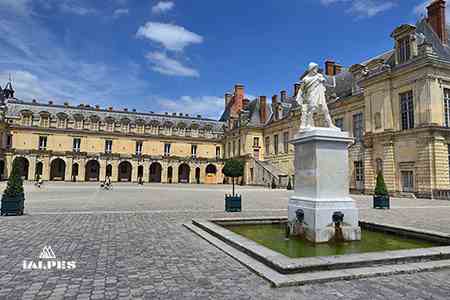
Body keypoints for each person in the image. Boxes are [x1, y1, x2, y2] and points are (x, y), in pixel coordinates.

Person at [295, 62, 337, 130]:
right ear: (311, 69)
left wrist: (322, 80)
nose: (316, 70)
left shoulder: (319, 76)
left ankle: (330, 124)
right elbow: (302, 90)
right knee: (312, 109)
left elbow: (324, 82)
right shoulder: (305, 79)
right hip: (311, 95)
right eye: (315, 68)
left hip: (320, 95)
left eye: (316, 68)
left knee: (325, 110)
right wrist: (302, 99)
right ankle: (308, 124)